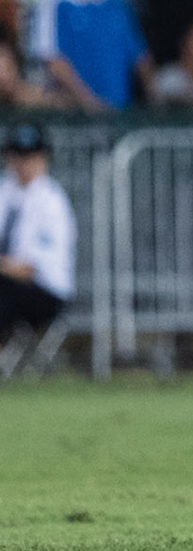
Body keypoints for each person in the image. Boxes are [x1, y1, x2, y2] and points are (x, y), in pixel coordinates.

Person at [0, 124, 77, 379]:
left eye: (30, 156)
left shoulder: (51, 202)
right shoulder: (5, 191)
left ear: (43, 158)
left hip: (44, 290)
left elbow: (31, 268)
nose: (23, 163)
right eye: (18, 155)